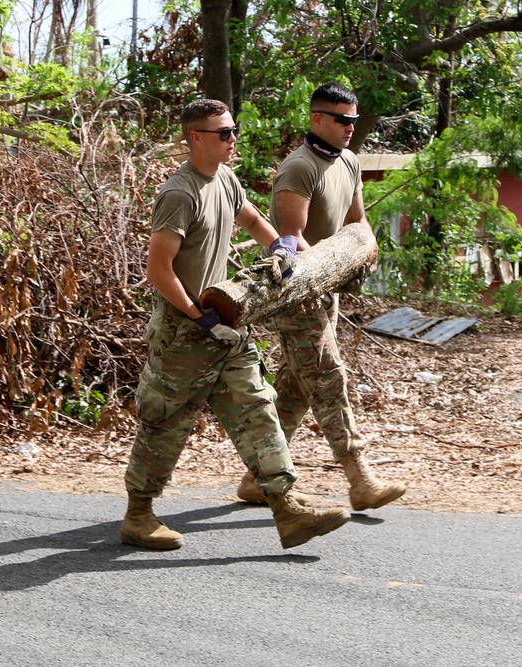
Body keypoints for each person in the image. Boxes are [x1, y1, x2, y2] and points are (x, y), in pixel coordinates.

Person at [121, 98, 351, 551]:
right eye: (223, 133)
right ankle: (138, 515)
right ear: (195, 138)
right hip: (185, 330)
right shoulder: (179, 193)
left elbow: (249, 217)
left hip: (227, 318)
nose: (232, 140)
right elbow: (158, 270)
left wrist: (284, 250)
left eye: (234, 131)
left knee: (257, 408)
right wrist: (196, 316)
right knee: (165, 422)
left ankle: (286, 509)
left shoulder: (224, 178)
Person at [235, 82, 406, 511]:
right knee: (329, 376)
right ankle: (359, 478)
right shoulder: (298, 168)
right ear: (317, 120)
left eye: (354, 119)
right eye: (342, 120)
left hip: (327, 289)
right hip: (296, 291)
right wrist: (324, 278)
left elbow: (356, 225)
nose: (351, 127)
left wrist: (363, 257)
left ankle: (257, 479)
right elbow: (292, 241)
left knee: (295, 386)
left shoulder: (348, 162)